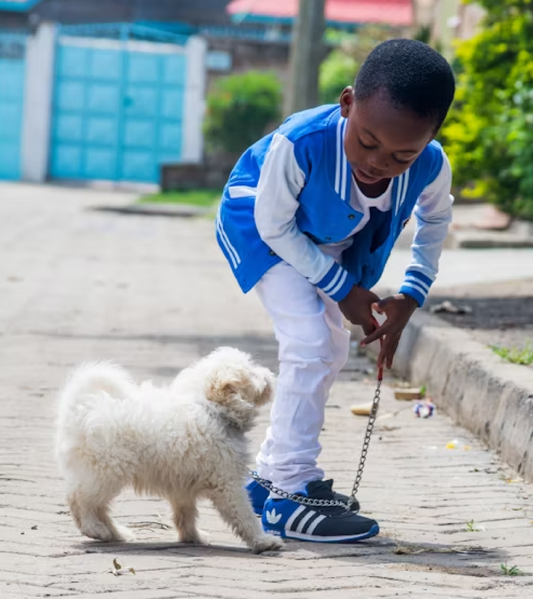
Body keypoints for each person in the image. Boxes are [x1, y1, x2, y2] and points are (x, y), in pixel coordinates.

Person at [215, 39, 455, 543]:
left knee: (331, 348)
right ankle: (290, 493)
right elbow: (275, 226)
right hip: (261, 225)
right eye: (366, 141)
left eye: (401, 154)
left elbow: (435, 222)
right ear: (347, 104)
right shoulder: (301, 143)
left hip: (324, 239)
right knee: (309, 340)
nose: (379, 162)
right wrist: (343, 288)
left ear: (429, 139)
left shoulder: (431, 164)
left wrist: (410, 296)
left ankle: (266, 481)